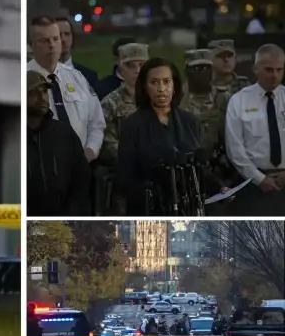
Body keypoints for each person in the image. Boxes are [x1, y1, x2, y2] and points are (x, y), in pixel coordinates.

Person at [117, 58, 226, 216]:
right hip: (150, 209)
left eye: (166, 81)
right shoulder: (133, 125)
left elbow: (199, 167)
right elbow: (125, 178)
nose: (161, 88)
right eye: (154, 82)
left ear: (174, 86)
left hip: (190, 208)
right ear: (145, 87)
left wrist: (219, 187)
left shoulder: (190, 121)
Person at [27, 16, 106, 165]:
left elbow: (96, 122)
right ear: (31, 45)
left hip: (81, 167)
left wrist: (90, 151)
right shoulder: (23, 79)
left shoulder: (77, 77)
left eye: (55, 39)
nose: (52, 45)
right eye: (44, 41)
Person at [225, 44, 285, 216]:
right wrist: (259, 179)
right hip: (253, 184)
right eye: (269, 70)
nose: (275, 75)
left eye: (279, 70)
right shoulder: (239, 101)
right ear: (255, 69)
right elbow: (234, 148)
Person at [26, 70, 91, 215]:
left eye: (44, 91)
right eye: (33, 93)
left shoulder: (63, 132)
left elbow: (81, 177)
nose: (42, 97)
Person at [179, 49, 235, 208]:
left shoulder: (224, 98)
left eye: (206, 68)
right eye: (196, 68)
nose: (202, 72)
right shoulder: (177, 100)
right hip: (187, 175)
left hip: (221, 172)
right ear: (187, 71)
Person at [98, 43, 148, 214]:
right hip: (124, 180)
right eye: (130, 65)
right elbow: (106, 142)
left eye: (141, 65)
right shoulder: (110, 103)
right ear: (119, 66)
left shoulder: (159, 99)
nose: (136, 70)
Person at [55, 16, 99, 91]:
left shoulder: (88, 76)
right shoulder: (38, 75)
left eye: (67, 34)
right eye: (58, 35)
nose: (63, 39)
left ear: (73, 37)